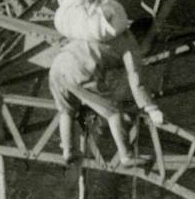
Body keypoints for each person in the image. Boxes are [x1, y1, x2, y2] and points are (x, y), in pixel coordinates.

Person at [49, 20, 163, 167]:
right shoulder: (130, 46)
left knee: (67, 110)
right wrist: (151, 108)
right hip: (80, 70)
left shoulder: (108, 31)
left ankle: (68, 151)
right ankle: (126, 156)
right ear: (143, 37)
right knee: (114, 112)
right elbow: (136, 81)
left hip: (58, 65)